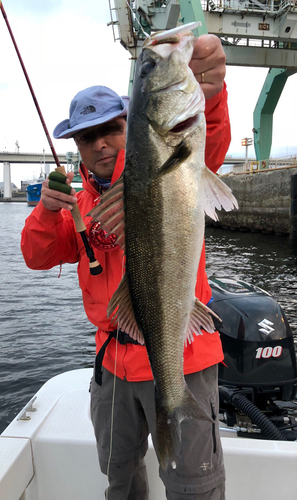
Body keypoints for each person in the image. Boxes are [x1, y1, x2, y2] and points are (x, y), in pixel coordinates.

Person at [21, 34, 230, 500]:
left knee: (193, 486)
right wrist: (45, 212)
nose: (99, 145)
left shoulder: (176, 160)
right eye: (86, 137)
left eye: (111, 130)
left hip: (185, 354)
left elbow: (206, 140)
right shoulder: (77, 207)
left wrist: (210, 94)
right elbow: (36, 256)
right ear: (76, 147)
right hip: (112, 366)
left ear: (132, 124)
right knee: (120, 479)